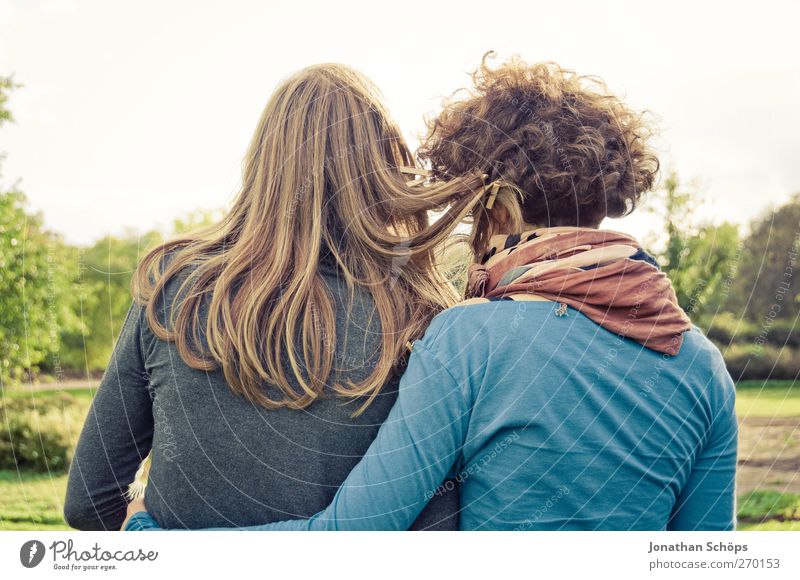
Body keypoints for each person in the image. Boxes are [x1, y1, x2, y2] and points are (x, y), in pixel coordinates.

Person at [126, 55, 738, 532]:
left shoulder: (469, 337)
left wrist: (161, 545)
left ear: (501, 204)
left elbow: (354, 533)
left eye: (473, 212)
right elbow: (704, 556)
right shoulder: (704, 367)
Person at [64, 63, 470, 530]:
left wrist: (143, 517)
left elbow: (88, 501)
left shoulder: (171, 287)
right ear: (379, 165)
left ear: (262, 164)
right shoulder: (422, 313)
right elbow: (438, 523)